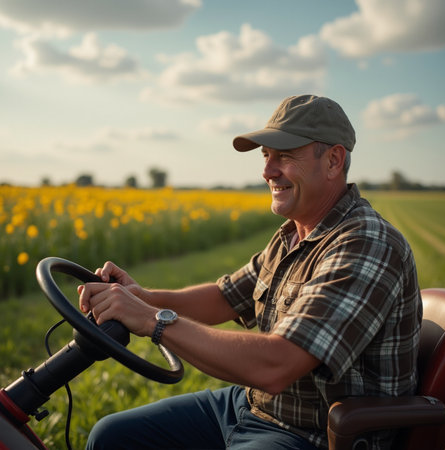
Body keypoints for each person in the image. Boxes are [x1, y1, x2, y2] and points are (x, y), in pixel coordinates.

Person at [79, 95, 422, 450]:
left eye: (285, 156)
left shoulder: (367, 244)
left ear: (334, 160)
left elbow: (277, 364)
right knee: (112, 437)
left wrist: (153, 320)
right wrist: (143, 297)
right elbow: (225, 297)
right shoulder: (293, 234)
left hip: (316, 435)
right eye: (266, 156)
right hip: (252, 408)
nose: (267, 171)